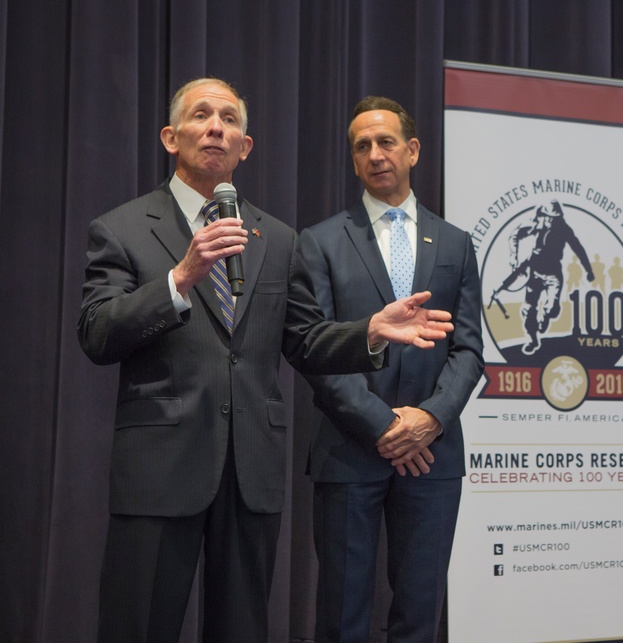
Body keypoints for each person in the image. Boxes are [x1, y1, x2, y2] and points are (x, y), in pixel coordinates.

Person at [77, 78, 453, 642]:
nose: (215, 128)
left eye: (229, 119)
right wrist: (179, 280)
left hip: (250, 470)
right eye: (201, 116)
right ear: (170, 137)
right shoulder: (124, 228)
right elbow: (97, 334)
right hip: (161, 470)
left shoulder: (275, 237)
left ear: (245, 146)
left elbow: (303, 342)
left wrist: (367, 333)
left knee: (244, 628)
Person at [296, 96, 484, 642]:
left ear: (413, 150)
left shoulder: (456, 243)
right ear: (354, 162)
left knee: (419, 615)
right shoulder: (321, 242)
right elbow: (316, 349)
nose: (376, 155)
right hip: (350, 449)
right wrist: (384, 425)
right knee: (342, 615)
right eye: (362, 147)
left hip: (434, 455)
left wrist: (429, 419)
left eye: (386, 142)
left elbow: (468, 350)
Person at [490, 199, 594, 355]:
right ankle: (532, 339)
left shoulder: (564, 230)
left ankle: (545, 318)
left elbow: (578, 248)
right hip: (535, 272)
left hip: (553, 274)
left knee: (552, 308)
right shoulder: (536, 225)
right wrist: (514, 257)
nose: (551, 220)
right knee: (528, 309)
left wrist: (588, 270)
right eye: (548, 217)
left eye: (554, 218)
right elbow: (515, 235)